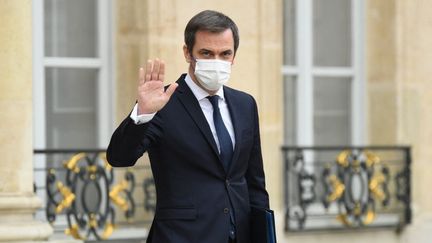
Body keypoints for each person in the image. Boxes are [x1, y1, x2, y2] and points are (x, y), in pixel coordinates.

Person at [107, 10, 269, 243]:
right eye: (206, 53)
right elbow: (119, 157)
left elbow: (254, 182)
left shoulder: (245, 104)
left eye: (225, 54)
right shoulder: (162, 103)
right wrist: (143, 113)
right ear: (187, 53)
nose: (216, 61)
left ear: (234, 56)